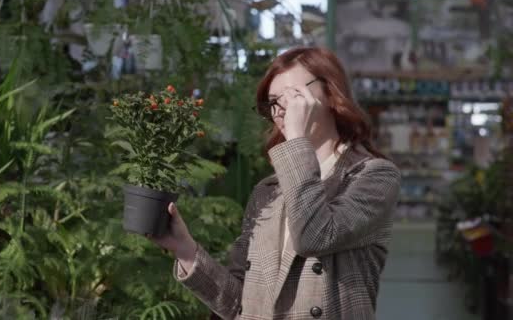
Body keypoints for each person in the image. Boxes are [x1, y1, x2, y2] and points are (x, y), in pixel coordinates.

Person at [149, 47, 401, 319]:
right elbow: (238, 305)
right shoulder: (267, 191)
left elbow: (314, 236)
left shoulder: (373, 176)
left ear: (330, 93)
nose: (283, 110)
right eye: (274, 101)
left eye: (294, 95)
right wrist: (185, 249)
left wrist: (296, 138)